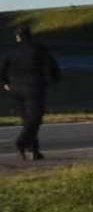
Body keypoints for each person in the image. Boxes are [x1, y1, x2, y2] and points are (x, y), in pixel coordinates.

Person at [2, 24, 62, 160]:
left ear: (17, 37)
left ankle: (35, 151)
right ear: (30, 35)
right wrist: (53, 80)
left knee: (27, 120)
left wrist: (5, 83)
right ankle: (21, 143)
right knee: (35, 119)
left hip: (15, 89)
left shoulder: (11, 51)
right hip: (34, 88)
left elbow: (3, 68)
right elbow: (51, 66)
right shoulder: (39, 50)